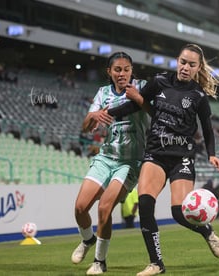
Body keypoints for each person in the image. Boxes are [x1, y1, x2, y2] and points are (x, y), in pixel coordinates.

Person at [107, 43, 219, 276]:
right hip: (155, 153)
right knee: (144, 205)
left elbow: (208, 129)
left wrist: (212, 154)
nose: (185, 67)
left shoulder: (199, 96)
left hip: (182, 157)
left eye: (191, 64)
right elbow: (136, 104)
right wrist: (107, 114)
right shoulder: (159, 82)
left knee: (179, 213)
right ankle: (156, 263)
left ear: (198, 67)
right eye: (183, 62)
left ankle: (207, 232)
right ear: (177, 60)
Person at [71, 52, 150, 275]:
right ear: (109, 72)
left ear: (132, 70)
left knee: (105, 207)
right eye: (117, 69)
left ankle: (99, 261)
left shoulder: (142, 86)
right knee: (80, 208)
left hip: (131, 161)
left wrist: (138, 98)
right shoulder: (103, 93)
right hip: (106, 157)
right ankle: (87, 240)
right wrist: (94, 115)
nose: (122, 73)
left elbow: (153, 111)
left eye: (126, 69)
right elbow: (85, 128)